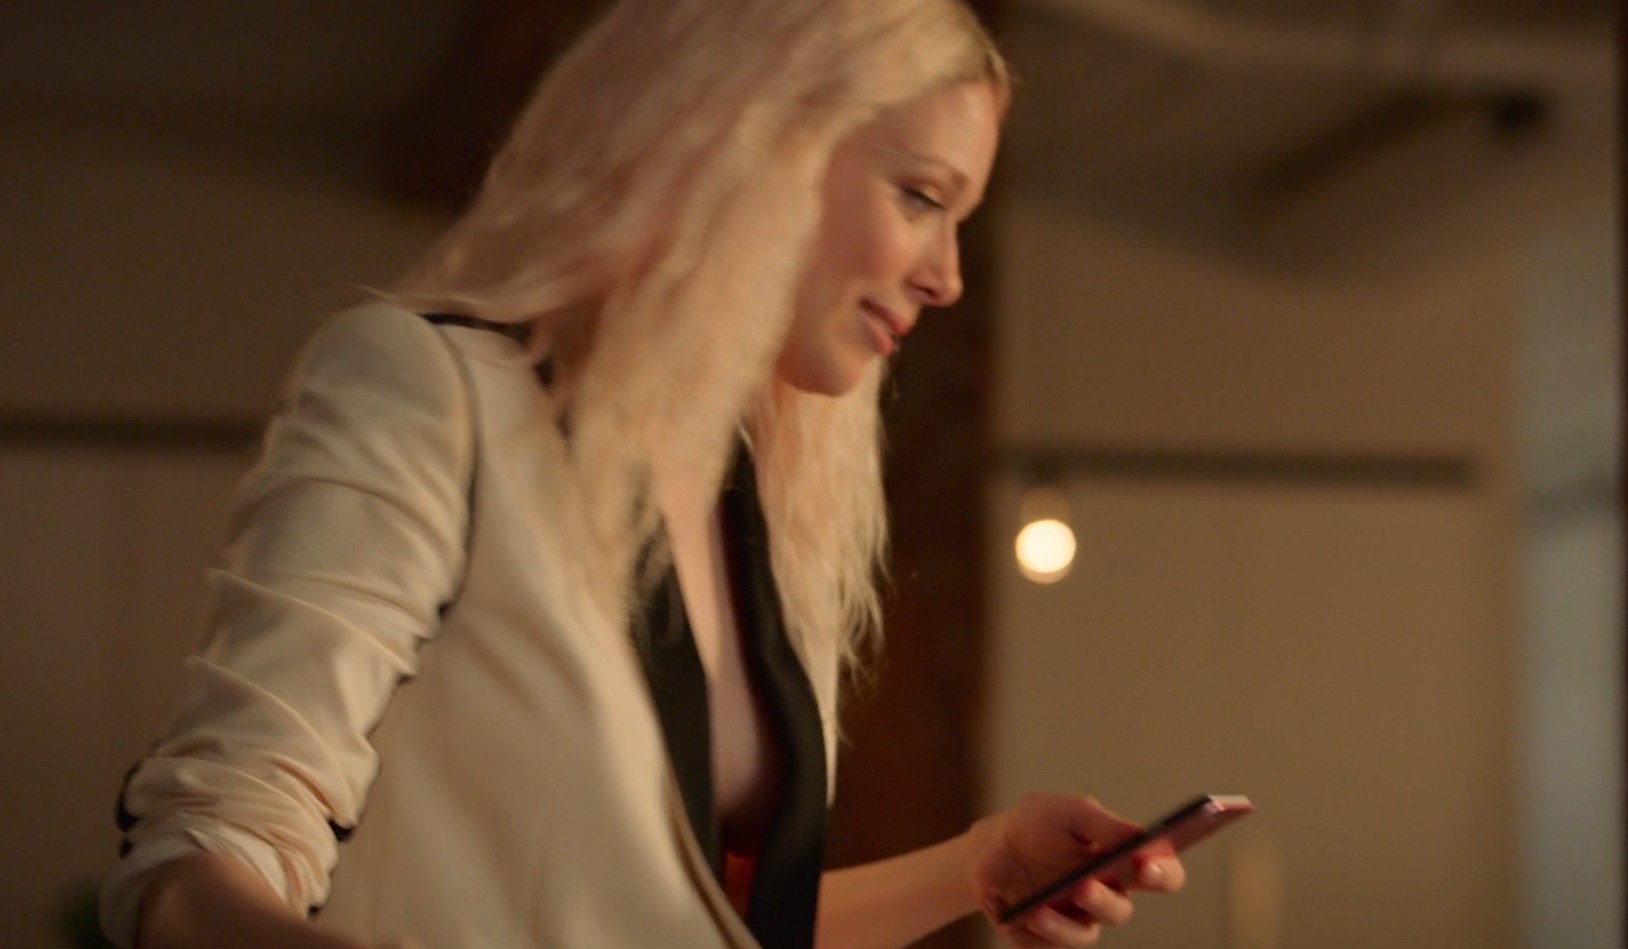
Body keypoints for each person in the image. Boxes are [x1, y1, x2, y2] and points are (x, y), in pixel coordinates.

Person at [101, 1, 1187, 948]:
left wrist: (974, 864)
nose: (946, 276)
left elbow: (695, 920)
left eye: (958, 219)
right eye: (918, 196)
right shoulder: (437, 391)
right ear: (754, 141)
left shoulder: (759, 495)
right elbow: (213, 838)